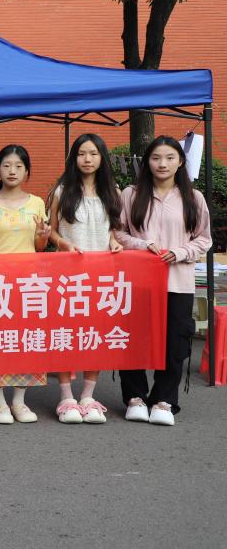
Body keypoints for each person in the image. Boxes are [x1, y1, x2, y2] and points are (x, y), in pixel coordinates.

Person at [115, 136, 211, 426]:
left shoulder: (193, 198)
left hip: (177, 282)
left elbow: (204, 239)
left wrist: (180, 252)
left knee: (175, 343)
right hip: (137, 282)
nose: (162, 164)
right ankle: (134, 397)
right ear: (147, 162)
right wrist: (142, 245)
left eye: (170, 158)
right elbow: (117, 233)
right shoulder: (131, 194)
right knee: (133, 339)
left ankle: (164, 400)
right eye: (156, 158)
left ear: (180, 161)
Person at [48, 134, 124, 424]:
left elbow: (114, 228)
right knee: (65, 335)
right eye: (81, 153)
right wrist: (62, 243)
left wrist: (114, 241)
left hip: (102, 277)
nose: (87, 159)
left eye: (93, 153)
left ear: (102, 157)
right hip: (68, 276)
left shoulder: (112, 191)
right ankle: (66, 397)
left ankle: (88, 397)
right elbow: (51, 231)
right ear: (74, 158)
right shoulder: (62, 190)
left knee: (96, 334)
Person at [0, 145, 51, 425]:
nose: (12, 171)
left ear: (27, 171)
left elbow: (39, 247)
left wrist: (43, 235)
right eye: (6, 165)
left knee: (26, 340)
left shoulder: (37, 203)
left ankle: (19, 400)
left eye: (18, 166)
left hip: (29, 284)